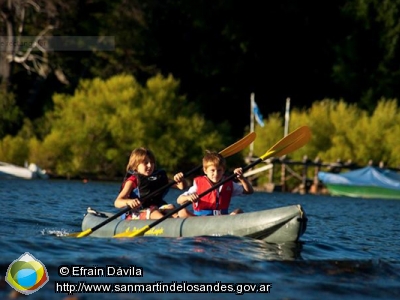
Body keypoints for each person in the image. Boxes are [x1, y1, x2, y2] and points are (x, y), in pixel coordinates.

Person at [114, 147, 186, 219]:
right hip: (137, 212)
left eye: (152, 162)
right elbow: (117, 202)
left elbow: (181, 187)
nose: (150, 165)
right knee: (154, 212)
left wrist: (180, 179)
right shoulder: (132, 180)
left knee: (171, 207)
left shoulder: (158, 177)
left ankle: (178, 222)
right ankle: (166, 224)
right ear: (135, 166)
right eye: (146, 163)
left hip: (156, 208)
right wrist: (129, 202)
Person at [177, 150, 254, 217]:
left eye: (219, 170)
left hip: (222, 218)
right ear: (205, 171)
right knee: (182, 212)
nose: (216, 174)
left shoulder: (229, 183)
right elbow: (179, 200)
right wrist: (188, 197)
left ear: (223, 170)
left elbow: (249, 191)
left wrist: (242, 178)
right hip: (200, 219)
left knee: (238, 211)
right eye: (212, 170)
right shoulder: (198, 184)